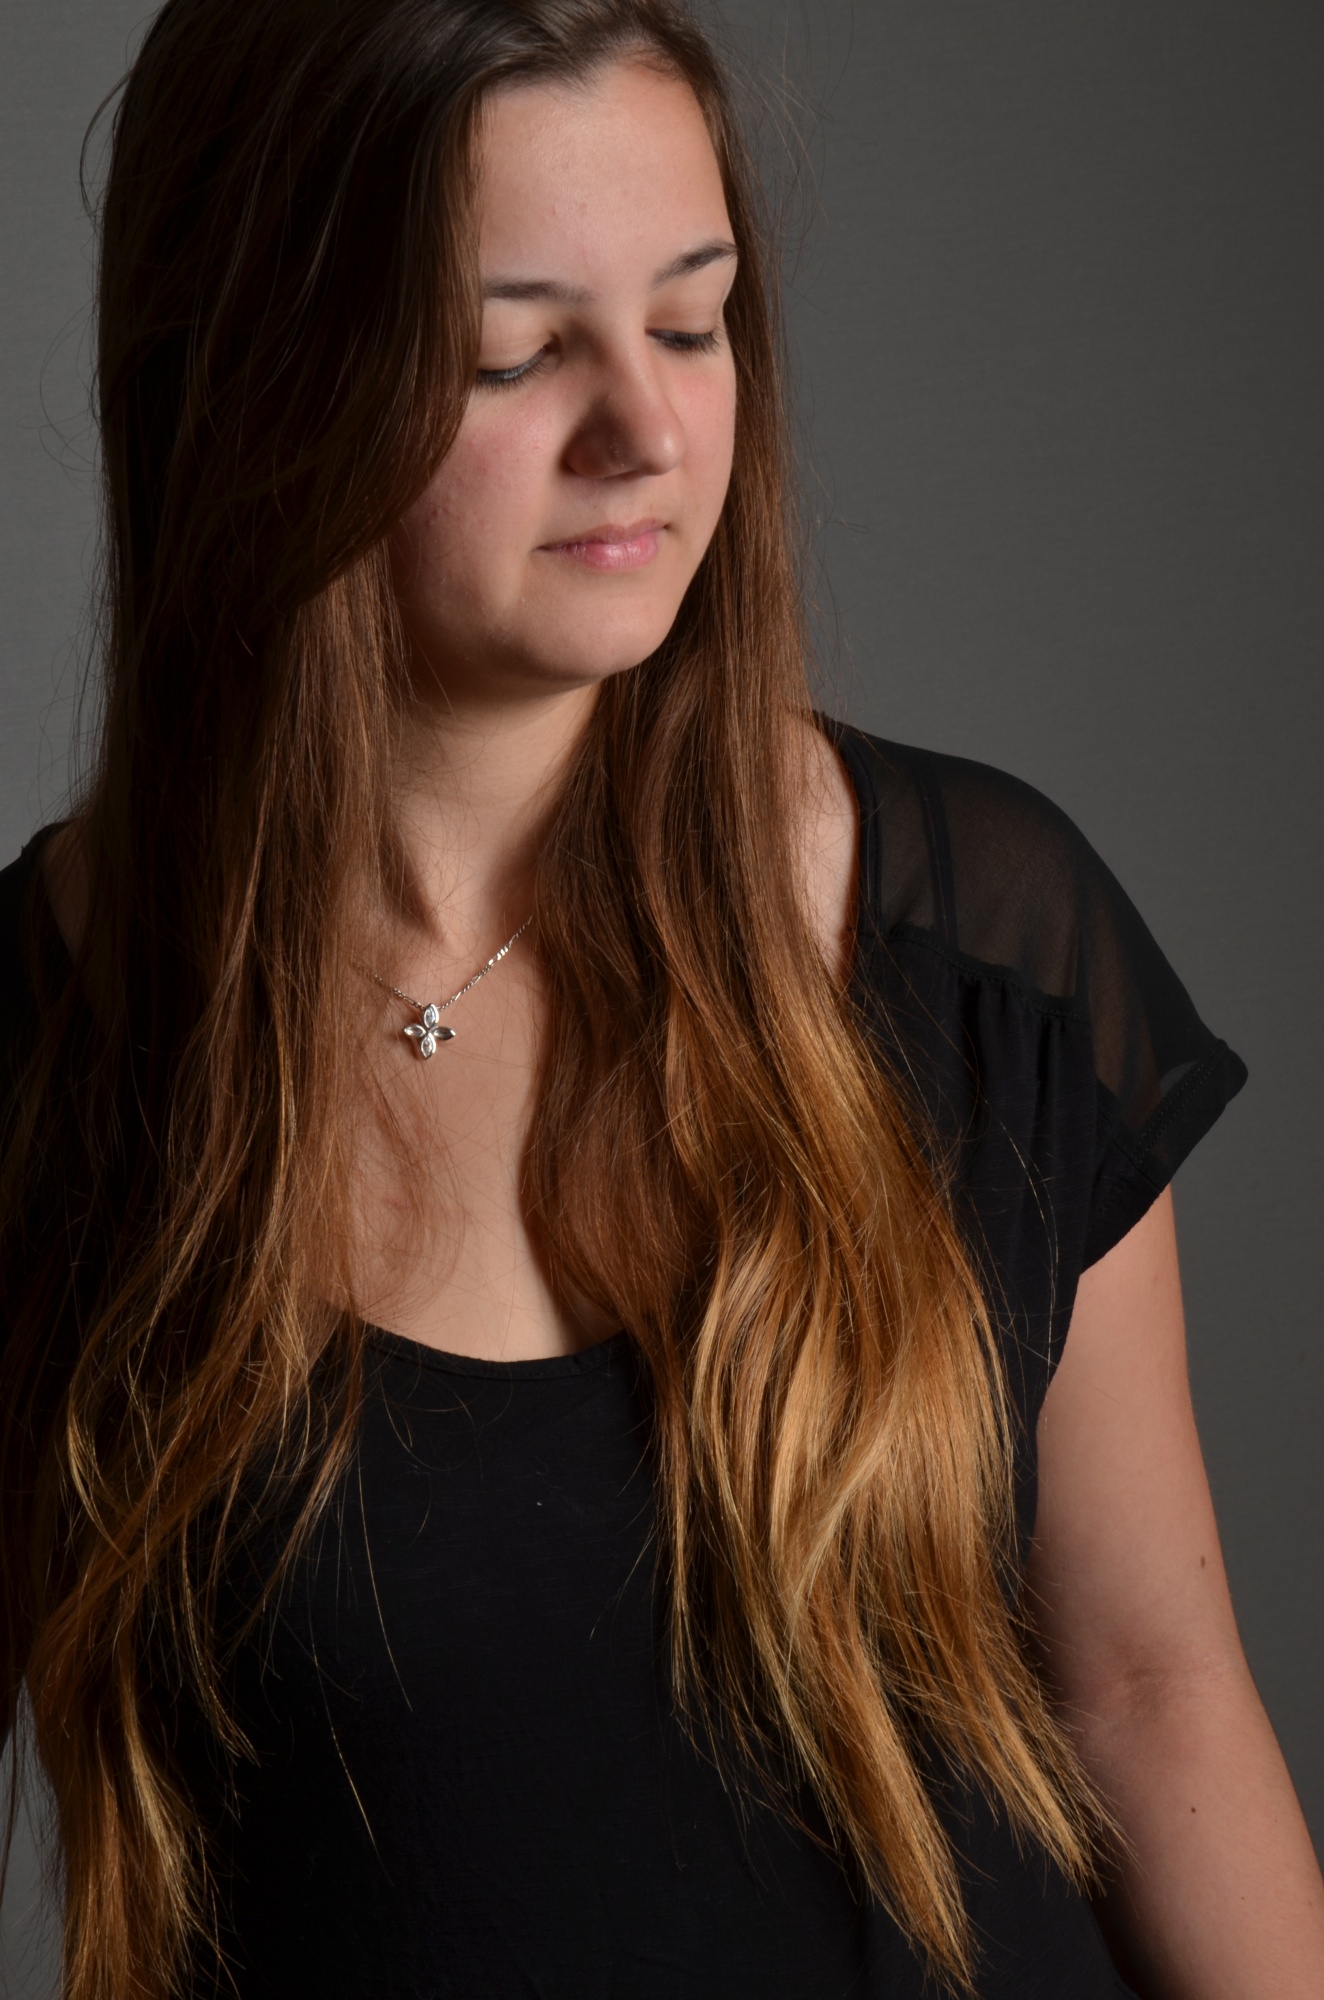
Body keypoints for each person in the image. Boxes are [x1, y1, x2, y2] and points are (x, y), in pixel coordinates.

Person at [1, 1, 1321, 1995]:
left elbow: (1151, 1693)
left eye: (691, 323)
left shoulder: (980, 940)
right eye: (514, 354)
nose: (645, 428)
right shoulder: (43, 1049)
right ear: (261, 379)